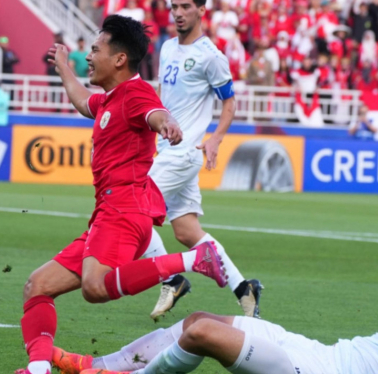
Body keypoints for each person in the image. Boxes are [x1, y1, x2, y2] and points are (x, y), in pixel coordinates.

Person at [15, 15, 228, 374]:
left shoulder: (136, 93)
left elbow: (156, 114)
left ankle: (194, 260)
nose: (89, 57)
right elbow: (84, 102)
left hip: (125, 210)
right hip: (108, 213)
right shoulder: (110, 99)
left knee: (94, 288)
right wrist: (64, 67)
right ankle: (39, 370)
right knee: (37, 285)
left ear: (119, 60)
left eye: (95, 50)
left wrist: (169, 125)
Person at [53, 266, 378, 374]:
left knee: (202, 334)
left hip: (311, 371)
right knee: (197, 318)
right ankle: (99, 364)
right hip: (315, 351)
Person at [144, 0, 261, 321]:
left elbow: (229, 104)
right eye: (174, 6)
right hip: (167, 149)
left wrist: (215, 139)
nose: (178, 13)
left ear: (201, 10)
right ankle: (244, 289)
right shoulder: (167, 48)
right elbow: (162, 97)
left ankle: (172, 279)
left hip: (185, 152)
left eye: (185, 6)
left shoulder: (211, 56)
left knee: (134, 213)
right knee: (185, 230)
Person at [0, 36, 19, 104]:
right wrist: (9, 60)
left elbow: (17, 60)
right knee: (3, 91)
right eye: (3, 43)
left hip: (10, 75)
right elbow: (4, 62)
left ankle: (11, 105)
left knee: (11, 91)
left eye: (6, 43)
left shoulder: (10, 52)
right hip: (2, 75)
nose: (5, 44)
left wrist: (9, 60)